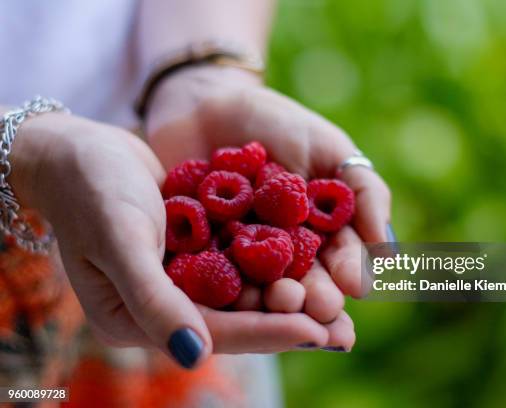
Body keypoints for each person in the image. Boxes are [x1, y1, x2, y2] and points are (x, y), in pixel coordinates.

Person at [0, 0, 393, 406]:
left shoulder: (198, 229)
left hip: (136, 206)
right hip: (101, 191)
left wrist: (202, 77)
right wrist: (33, 153)